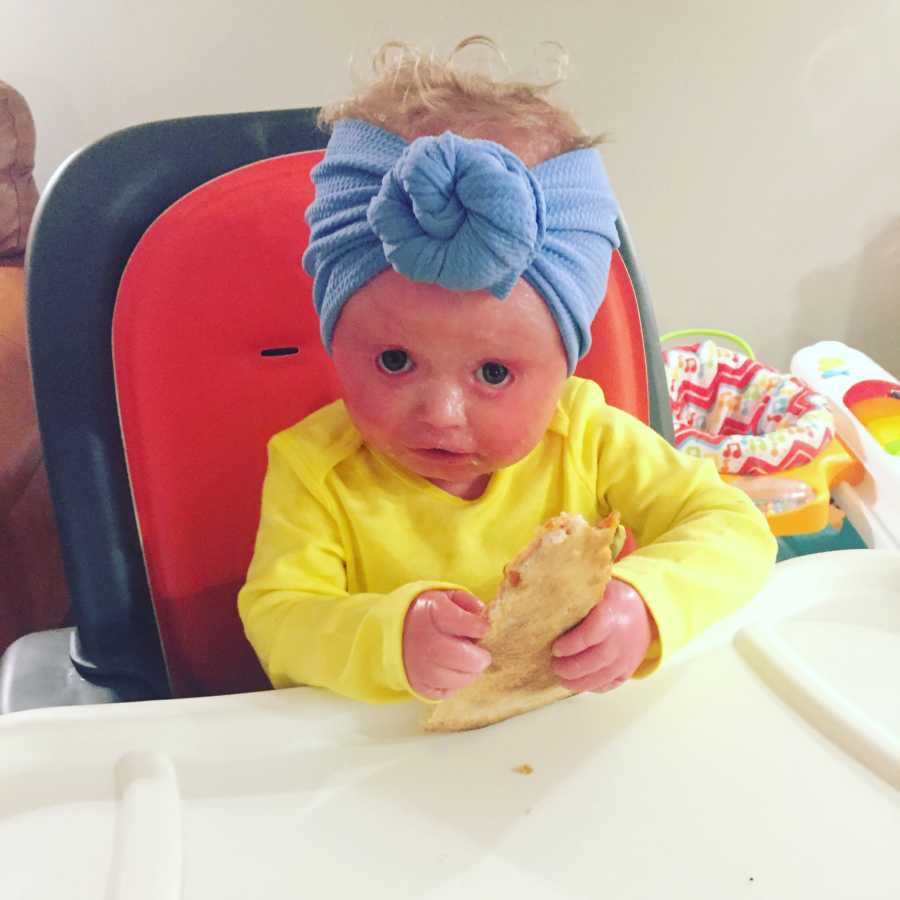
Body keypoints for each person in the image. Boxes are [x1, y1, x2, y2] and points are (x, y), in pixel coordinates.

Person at [238, 37, 777, 705]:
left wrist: (645, 603)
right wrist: (388, 636)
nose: (441, 413)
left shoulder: (586, 436)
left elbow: (734, 528)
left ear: (564, 365)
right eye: (395, 360)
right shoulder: (314, 472)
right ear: (334, 342)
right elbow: (278, 621)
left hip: (561, 749)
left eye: (493, 373)